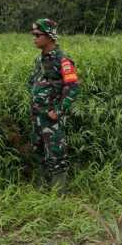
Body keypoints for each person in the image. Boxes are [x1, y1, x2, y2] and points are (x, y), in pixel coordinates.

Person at [27, 18, 80, 190]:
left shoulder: (62, 60)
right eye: (33, 35)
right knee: (38, 152)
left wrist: (58, 110)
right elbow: (33, 83)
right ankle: (42, 189)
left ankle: (59, 193)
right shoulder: (39, 60)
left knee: (56, 155)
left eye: (37, 35)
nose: (34, 38)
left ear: (49, 36)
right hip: (37, 115)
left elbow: (73, 87)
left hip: (52, 117)